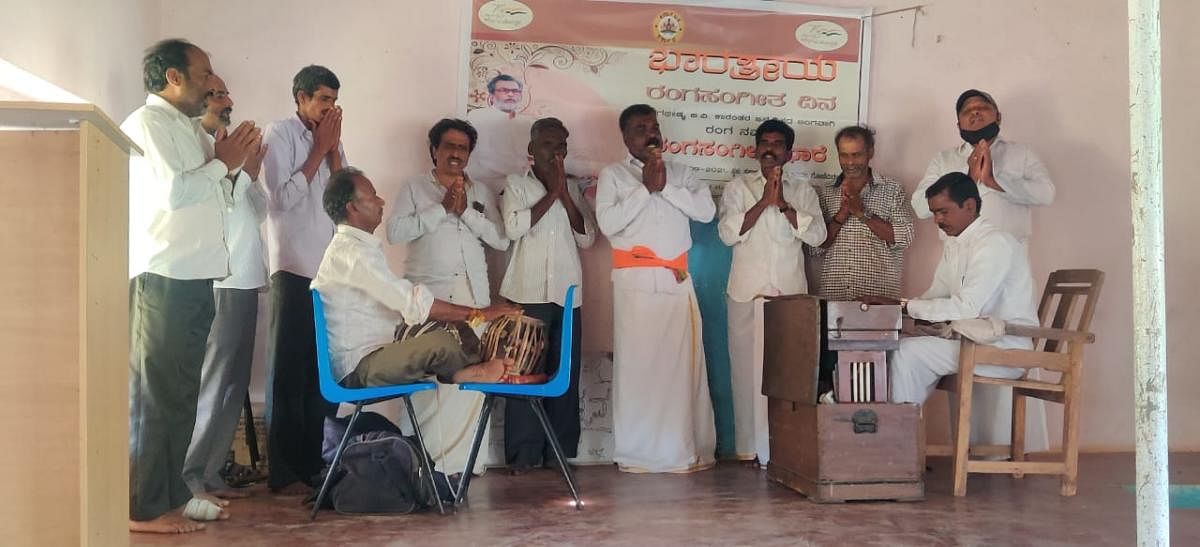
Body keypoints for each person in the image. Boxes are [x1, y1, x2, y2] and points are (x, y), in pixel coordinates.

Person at [122, 38, 261, 533]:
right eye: (203, 75)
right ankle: (142, 508)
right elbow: (174, 193)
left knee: (180, 396)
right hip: (164, 277)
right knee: (157, 397)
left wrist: (234, 166)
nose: (210, 84)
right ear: (174, 78)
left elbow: (217, 198)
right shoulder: (148, 124)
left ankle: (171, 495)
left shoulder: (186, 129)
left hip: (196, 276)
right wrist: (224, 161)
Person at [313, 168, 519, 390]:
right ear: (352, 207)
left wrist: (462, 318)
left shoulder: (358, 248)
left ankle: (473, 368)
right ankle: (469, 371)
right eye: (373, 196)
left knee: (452, 326)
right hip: (360, 367)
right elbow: (409, 301)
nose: (381, 202)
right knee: (440, 342)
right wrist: (480, 314)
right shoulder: (352, 254)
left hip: (382, 351)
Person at [596, 104, 717, 473]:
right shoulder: (613, 176)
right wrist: (645, 190)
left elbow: (706, 213)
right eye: (639, 127)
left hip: (675, 284)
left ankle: (678, 452)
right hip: (634, 287)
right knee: (638, 372)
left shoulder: (683, 172)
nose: (650, 133)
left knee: (678, 374)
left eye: (654, 126)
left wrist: (666, 188)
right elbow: (608, 224)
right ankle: (637, 455)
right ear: (625, 137)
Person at [386, 118, 509, 475]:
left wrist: (465, 211)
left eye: (462, 148)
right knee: (431, 380)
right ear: (434, 151)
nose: (456, 154)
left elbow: (501, 240)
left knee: (471, 378)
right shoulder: (414, 187)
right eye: (449, 146)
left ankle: (465, 464)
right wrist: (441, 208)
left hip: (475, 299)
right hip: (431, 300)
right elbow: (395, 232)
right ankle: (423, 462)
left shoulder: (481, 192)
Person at [864, 172, 1037, 404]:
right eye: (934, 213)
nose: (937, 220)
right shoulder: (955, 243)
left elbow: (968, 308)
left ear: (969, 206)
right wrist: (899, 309)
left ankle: (899, 433)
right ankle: (902, 427)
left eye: (943, 212)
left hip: (1006, 348)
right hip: (973, 342)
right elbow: (936, 295)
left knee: (907, 353)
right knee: (899, 343)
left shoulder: (994, 243)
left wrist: (905, 307)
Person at [717, 119, 825, 466]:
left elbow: (818, 237)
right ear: (754, 149)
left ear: (789, 152)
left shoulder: (803, 189)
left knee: (788, 373)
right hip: (746, 292)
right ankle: (750, 448)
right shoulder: (737, 187)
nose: (770, 148)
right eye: (764, 142)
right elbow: (728, 234)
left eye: (778, 144)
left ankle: (784, 448)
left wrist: (782, 205)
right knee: (745, 373)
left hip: (789, 294)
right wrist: (763, 200)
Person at [181, 76, 268, 506]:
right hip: (223, 279)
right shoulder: (200, 148)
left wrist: (249, 174)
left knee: (233, 386)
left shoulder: (227, 149)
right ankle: (189, 478)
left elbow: (258, 208)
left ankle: (210, 471)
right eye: (217, 95)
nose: (227, 102)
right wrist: (236, 171)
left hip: (247, 279)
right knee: (212, 384)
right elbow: (213, 205)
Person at [261, 65, 347, 494]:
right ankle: (284, 472)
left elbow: (342, 196)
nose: (328, 108)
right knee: (288, 372)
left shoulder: (330, 137)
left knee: (320, 373)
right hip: (293, 266)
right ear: (300, 98)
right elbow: (279, 200)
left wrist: (331, 149)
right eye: (321, 100)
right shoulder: (278, 134)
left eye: (333, 100)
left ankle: (315, 464)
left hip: (328, 270)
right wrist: (318, 149)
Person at [499, 117, 596, 473]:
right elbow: (513, 228)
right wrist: (552, 193)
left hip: (568, 294)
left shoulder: (571, 188)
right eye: (547, 145)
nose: (555, 152)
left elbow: (588, 238)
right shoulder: (516, 185)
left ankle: (559, 452)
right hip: (526, 293)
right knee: (523, 374)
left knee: (563, 375)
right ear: (531, 149)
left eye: (560, 146)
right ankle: (523, 456)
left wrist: (565, 194)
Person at [911, 89, 1054, 247]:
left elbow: (1047, 194)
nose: (975, 112)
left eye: (983, 107)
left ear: (998, 117)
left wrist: (994, 182)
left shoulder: (1022, 153)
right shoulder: (943, 160)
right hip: (958, 258)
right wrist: (968, 181)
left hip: (1009, 257)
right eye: (967, 110)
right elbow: (920, 207)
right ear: (959, 126)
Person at [811, 125, 914, 301]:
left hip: (879, 300)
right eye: (844, 155)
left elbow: (905, 237)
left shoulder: (893, 190)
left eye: (856, 154)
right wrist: (841, 216)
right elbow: (814, 248)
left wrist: (861, 212)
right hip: (835, 298)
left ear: (870, 152)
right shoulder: (825, 193)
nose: (850, 162)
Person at [465, 74, 534, 195]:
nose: (511, 94)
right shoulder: (477, 117)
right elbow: (484, 156)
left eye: (515, 91)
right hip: (484, 187)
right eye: (504, 90)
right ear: (491, 96)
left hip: (519, 189)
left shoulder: (528, 122)